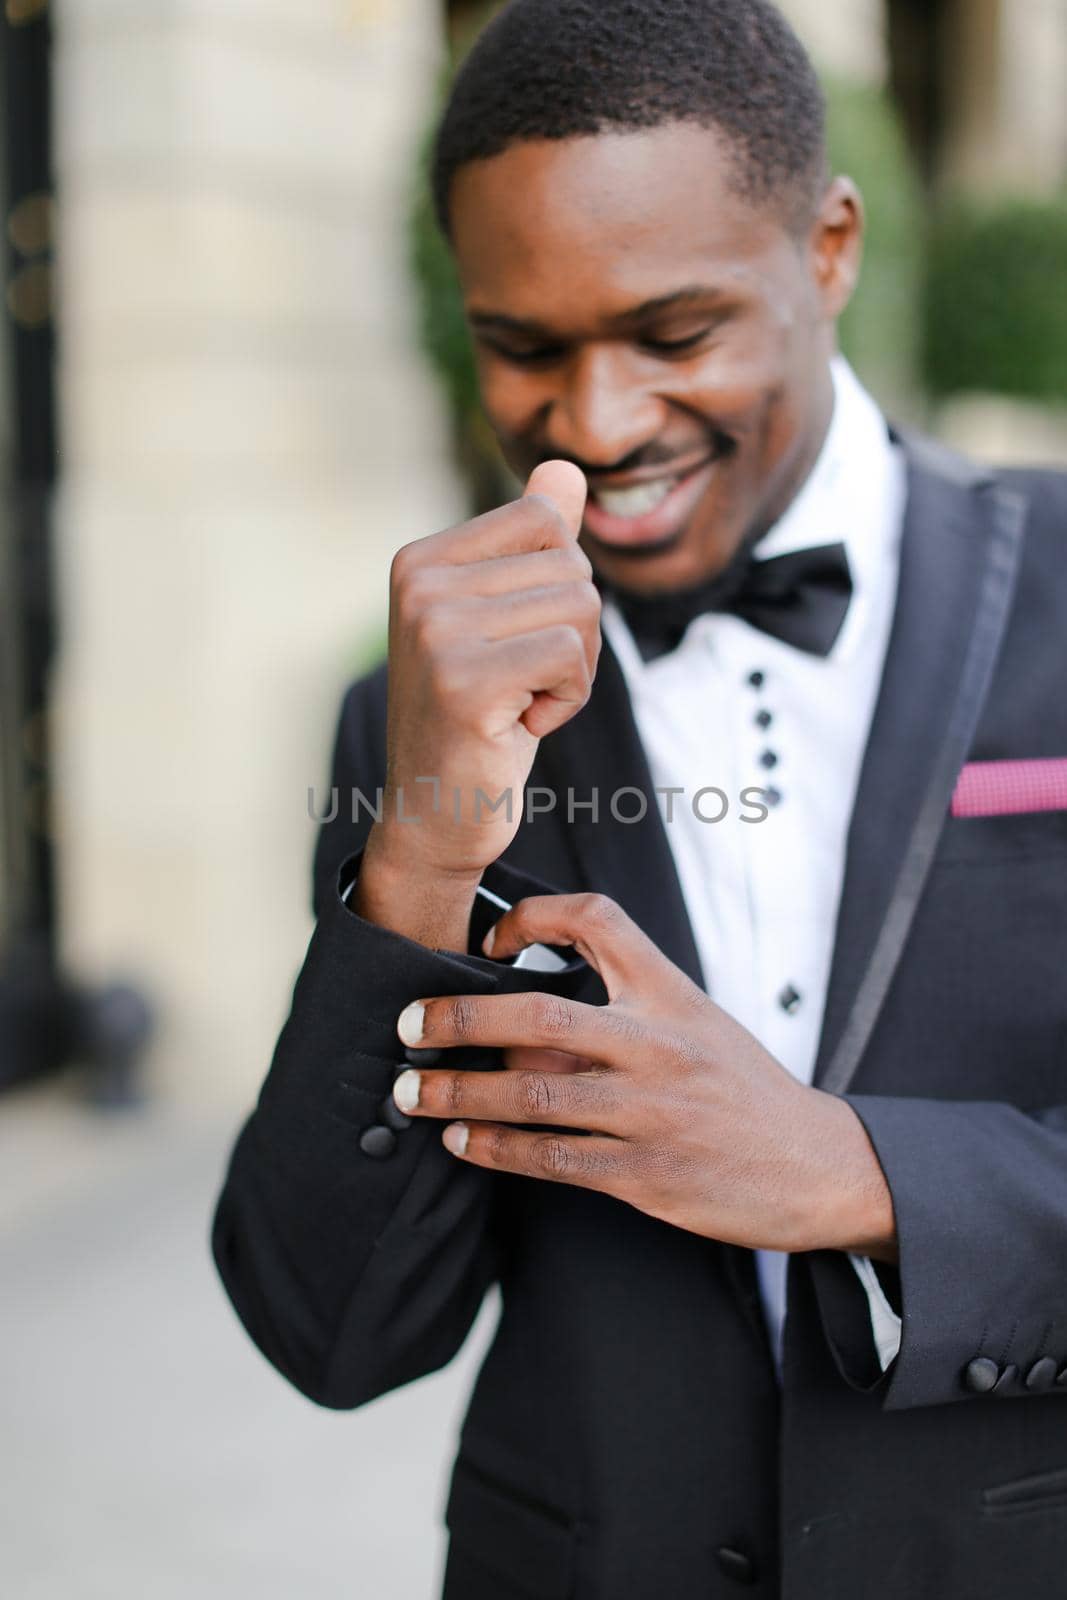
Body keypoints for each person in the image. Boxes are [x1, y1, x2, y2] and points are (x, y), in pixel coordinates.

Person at [212, 2, 1067, 1595]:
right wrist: (422, 843)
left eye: (674, 333)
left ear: (828, 249)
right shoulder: (406, 720)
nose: (594, 427)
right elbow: (328, 1332)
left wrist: (856, 1175)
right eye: (523, 347)